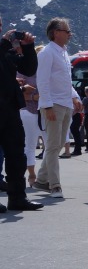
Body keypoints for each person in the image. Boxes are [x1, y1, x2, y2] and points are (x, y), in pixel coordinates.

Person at [34, 18, 80, 199]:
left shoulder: (63, 53)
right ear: (55, 33)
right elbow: (42, 81)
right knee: (53, 145)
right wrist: (47, 106)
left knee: (59, 144)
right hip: (53, 104)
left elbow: (65, 80)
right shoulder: (47, 53)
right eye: (67, 31)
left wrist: (74, 97)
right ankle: (54, 185)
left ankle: (41, 179)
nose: (70, 34)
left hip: (65, 103)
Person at [0, 19, 43, 212]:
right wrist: (5, 42)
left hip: (10, 108)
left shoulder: (6, 50)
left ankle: (17, 198)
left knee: (17, 155)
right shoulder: (3, 47)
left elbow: (28, 69)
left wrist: (28, 47)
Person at [18, 69, 42, 189]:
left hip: (46, 110)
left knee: (51, 146)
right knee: (30, 145)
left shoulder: (46, 70)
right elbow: (17, 93)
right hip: (28, 111)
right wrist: (33, 96)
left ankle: (45, 175)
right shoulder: (21, 72)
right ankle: (32, 175)